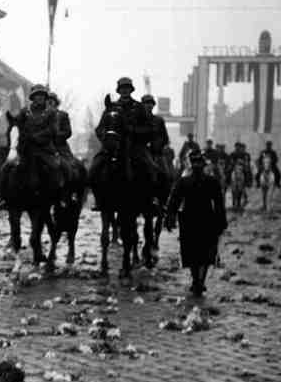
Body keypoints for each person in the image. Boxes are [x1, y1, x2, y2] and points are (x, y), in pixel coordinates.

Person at [165, 150, 227, 297]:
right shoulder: (206, 181)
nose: (198, 166)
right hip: (199, 220)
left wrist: (170, 216)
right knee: (199, 253)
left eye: (200, 163)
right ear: (193, 165)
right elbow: (174, 201)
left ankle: (198, 281)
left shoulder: (190, 181)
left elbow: (219, 203)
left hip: (195, 220)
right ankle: (198, 281)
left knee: (199, 253)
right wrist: (170, 216)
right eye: (196, 163)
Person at [90, 77, 155, 189]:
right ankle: (96, 195)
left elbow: (149, 129)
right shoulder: (111, 107)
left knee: (150, 166)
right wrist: (106, 138)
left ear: (131, 90)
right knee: (95, 166)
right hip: (113, 146)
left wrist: (133, 130)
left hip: (135, 146)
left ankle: (152, 197)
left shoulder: (139, 107)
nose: (124, 90)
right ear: (119, 90)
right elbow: (100, 128)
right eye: (122, 88)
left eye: (127, 88)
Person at [48, 91, 75, 190]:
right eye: (48, 100)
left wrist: (56, 136)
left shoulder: (63, 115)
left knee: (69, 166)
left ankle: (69, 191)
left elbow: (68, 132)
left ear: (56, 102)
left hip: (60, 147)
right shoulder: (41, 115)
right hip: (43, 146)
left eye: (52, 101)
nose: (50, 102)